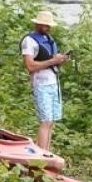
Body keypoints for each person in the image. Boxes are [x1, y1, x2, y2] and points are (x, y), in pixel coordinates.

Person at [21, 11, 69, 151]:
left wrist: (59, 60)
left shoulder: (48, 39)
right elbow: (30, 65)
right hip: (41, 84)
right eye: (46, 25)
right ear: (38, 24)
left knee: (51, 121)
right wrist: (52, 61)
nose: (48, 28)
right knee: (45, 120)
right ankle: (41, 153)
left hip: (53, 83)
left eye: (49, 26)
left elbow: (50, 61)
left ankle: (46, 151)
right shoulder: (29, 41)